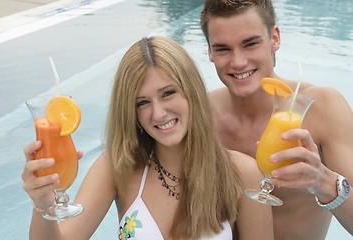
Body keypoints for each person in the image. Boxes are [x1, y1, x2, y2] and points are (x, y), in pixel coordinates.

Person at [22, 36, 274, 239]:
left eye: (167, 94)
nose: (158, 113)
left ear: (192, 91)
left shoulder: (243, 173)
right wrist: (43, 205)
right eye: (142, 102)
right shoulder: (117, 167)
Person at [200, 0, 353, 239]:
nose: (238, 62)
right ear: (209, 51)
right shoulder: (200, 116)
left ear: (275, 38)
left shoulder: (323, 109)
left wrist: (323, 181)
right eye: (222, 49)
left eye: (250, 44)